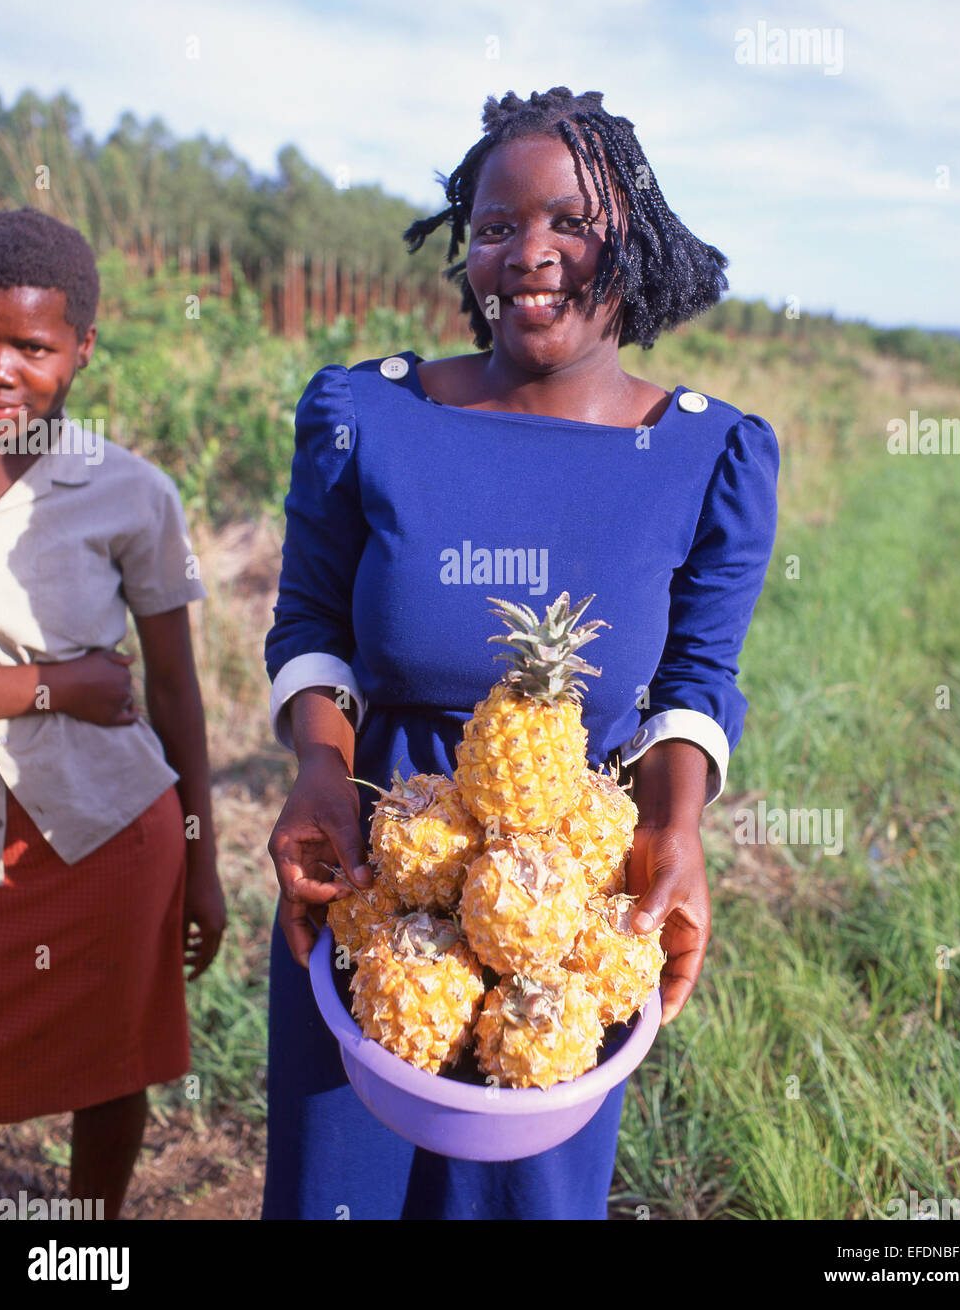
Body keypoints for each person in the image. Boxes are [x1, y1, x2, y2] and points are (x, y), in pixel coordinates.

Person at [263, 86, 779, 1220]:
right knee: (332, 1191)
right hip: (375, 866)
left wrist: (674, 825)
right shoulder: (368, 412)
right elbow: (310, 619)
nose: (528, 254)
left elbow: (696, 678)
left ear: (629, 238)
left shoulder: (706, 453)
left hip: (565, 901)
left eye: (568, 223)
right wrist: (314, 769)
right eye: (495, 226)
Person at [0, 207, 226, 1219]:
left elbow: (174, 690)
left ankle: (86, 1240)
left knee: (110, 1062)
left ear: (81, 346)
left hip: (107, 832)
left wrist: (204, 858)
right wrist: (54, 685)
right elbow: (84, 681)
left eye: (31, 346)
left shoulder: (133, 493)